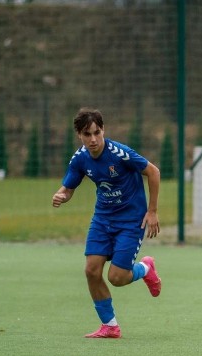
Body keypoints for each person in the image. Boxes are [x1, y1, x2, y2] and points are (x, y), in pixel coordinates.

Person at [52, 108, 162, 339]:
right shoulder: (80, 158)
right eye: (87, 134)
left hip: (131, 221)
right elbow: (69, 188)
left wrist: (152, 211)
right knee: (92, 271)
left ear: (103, 130)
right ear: (79, 135)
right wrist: (61, 195)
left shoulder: (120, 153)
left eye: (97, 132)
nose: (93, 139)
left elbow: (153, 172)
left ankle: (145, 268)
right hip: (102, 219)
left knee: (117, 278)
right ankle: (110, 326)